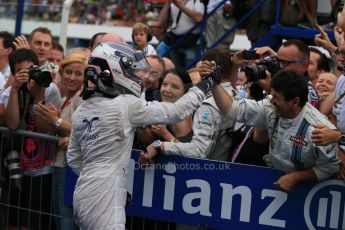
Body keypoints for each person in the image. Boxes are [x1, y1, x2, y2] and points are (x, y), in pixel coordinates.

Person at [66, 41, 221, 229]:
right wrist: (206, 84)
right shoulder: (125, 105)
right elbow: (177, 111)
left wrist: (98, 179)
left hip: (83, 191)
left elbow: (74, 159)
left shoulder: (80, 112)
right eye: (130, 70)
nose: (137, 76)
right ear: (114, 70)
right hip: (105, 195)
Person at [209, 69, 340, 192]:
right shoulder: (269, 107)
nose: (271, 101)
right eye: (272, 95)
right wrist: (214, 83)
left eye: (277, 98)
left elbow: (329, 168)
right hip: (274, 178)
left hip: (310, 190)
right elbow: (232, 110)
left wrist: (296, 177)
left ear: (295, 101)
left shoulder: (318, 128)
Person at [2, 48, 61, 229]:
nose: (28, 75)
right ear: (13, 73)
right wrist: (14, 90)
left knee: (32, 223)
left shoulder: (50, 89)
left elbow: (46, 129)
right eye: (22, 72)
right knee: (13, 222)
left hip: (43, 169)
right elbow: (12, 124)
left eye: (31, 69)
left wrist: (38, 97)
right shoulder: (11, 91)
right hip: (17, 168)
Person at [35, 53, 87, 230]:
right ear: (61, 73)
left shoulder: (84, 97)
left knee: (66, 219)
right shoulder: (64, 99)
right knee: (59, 217)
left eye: (78, 74)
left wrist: (58, 122)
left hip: (71, 166)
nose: (72, 77)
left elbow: (86, 131)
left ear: (85, 76)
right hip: (59, 163)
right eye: (68, 72)